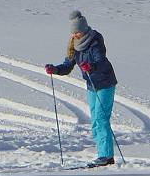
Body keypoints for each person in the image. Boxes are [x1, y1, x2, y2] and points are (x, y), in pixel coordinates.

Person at [45, 10, 118, 167]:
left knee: (101, 118)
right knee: (95, 121)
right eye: (73, 33)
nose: (75, 35)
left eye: (78, 32)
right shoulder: (74, 45)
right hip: (92, 86)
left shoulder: (95, 40)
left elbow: (102, 62)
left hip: (105, 83)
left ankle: (107, 156)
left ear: (84, 29)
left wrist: (90, 66)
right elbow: (67, 66)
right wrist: (55, 70)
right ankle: (102, 154)